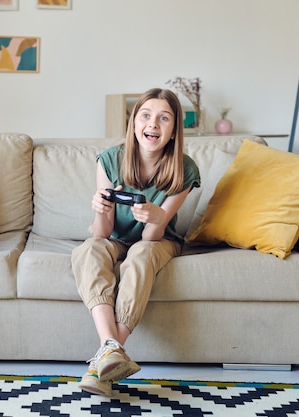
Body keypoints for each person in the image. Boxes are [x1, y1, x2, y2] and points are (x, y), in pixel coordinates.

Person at [71, 88, 200, 396]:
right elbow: (101, 233)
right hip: (114, 237)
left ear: (173, 131)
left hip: (157, 239)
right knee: (88, 248)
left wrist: (156, 217)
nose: (153, 124)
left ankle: (102, 360)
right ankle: (111, 347)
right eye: (145, 116)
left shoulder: (185, 169)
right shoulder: (111, 159)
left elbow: (150, 238)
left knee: (141, 253)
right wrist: (101, 210)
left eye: (163, 118)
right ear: (133, 124)